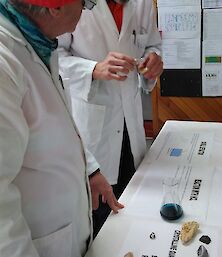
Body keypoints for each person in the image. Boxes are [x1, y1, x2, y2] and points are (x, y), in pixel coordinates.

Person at [0, 0, 123, 256]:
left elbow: (60, 121)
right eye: (84, 2)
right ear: (55, 7)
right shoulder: (6, 64)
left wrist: (88, 169)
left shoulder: (38, 42)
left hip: (66, 230)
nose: (85, 9)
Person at [58, 0, 163, 236]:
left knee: (133, 201)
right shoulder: (74, 6)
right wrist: (93, 69)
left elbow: (153, 44)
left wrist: (153, 59)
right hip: (95, 125)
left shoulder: (143, 3)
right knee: (101, 214)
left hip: (131, 122)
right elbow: (54, 56)